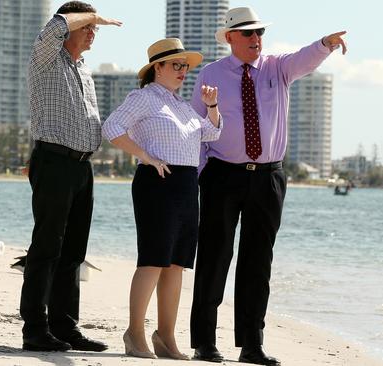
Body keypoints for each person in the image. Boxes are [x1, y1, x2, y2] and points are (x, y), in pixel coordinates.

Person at [189, 7, 347, 365]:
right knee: (215, 258)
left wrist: (325, 43)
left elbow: (305, 59)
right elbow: (197, 128)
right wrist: (199, 174)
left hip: (268, 177)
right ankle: (204, 342)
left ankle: (251, 345)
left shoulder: (278, 68)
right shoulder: (210, 74)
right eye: (247, 33)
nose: (255, 39)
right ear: (230, 37)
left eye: (259, 32)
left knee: (257, 263)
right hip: (222, 176)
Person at [102, 38, 222, 360]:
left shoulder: (182, 105)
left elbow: (212, 133)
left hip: (185, 185)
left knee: (176, 264)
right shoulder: (143, 98)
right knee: (153, 259)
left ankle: (166, 337)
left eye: (186, 66)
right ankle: (134, 333)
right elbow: (111, 127)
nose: (183, 71)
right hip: (156, 182)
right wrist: (145, 156)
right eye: (176, 65)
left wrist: (211, 106)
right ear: (158, 67)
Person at [19, 1, 121, 353]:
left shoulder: (84, 68)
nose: (93, 32)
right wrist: (89, 15)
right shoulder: (46, 58)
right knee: (46, 247)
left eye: (95, 28)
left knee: (73, 251)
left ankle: (65, 327)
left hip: (81, 167)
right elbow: (55, 26)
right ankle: (34, 328)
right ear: (70, 27)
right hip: (54, 161)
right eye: (88, 26)